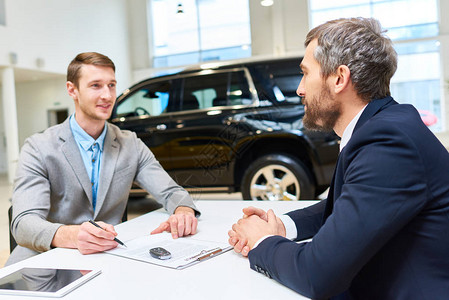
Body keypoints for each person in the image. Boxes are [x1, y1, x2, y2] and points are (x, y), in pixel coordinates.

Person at [228, 17, 449, 299]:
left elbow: (316, 275)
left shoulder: (388, 142)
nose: (300, 89)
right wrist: (283, 225)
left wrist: (262, 241)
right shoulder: (384, 125)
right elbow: (349, 207)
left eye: (306, 73)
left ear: (339, 78)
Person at [7, 52, 199, 265]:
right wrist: (71, 235)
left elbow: (172, 192)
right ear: (72, 90)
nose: (107, 96)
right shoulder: (38, 147)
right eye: (96, 85)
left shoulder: (130, 144)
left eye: (111, 85)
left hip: (109, 257)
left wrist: (183, 211)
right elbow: (23, 223)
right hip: (49, 260)